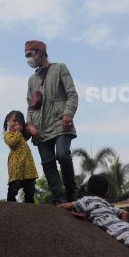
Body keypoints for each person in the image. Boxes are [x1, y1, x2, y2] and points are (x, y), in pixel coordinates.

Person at [25, 40, 78, 204]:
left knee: (62, 155)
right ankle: (59, 200)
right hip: (40, 129)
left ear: (40, 52)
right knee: (47, 164)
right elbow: (30, 106)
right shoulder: (32, 80)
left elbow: (72, 94)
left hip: (61, 123)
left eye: (30, 55)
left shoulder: (60, 68)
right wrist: (29, 125)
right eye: (26, 56)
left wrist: (68, 113)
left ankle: (71, 194)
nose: (28, 59)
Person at [3, 111, 38, 203]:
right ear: (8, 121)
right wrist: (18, 132)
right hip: (16, 166)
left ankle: (29, 206)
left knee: (30, 188)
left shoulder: (22, 135)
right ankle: (10, 203)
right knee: (14, 186)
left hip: (27, 165)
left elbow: (29, 131)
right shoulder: (8, 134)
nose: (17, 123)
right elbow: (12, 143)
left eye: (20, 122)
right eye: (14, 120)